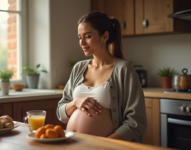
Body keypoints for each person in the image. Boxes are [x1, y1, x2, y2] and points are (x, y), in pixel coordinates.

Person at [56, 11, 147, 143]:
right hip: (72, 144)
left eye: (87, 36)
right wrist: (75, 102)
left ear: (105, 36)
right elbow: (61, 113)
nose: (81, 42)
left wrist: (104, 144)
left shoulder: (124, 70)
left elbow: (136, 122)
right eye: (79, 37)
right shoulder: (78, 68)